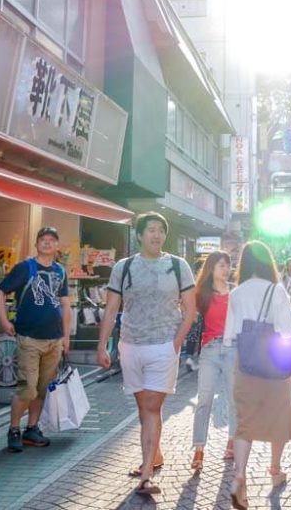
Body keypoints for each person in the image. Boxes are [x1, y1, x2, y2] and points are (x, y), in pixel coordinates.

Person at [97, 213, 196, 497]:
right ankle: (154, 455)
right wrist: (102, 344)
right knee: (144, 408)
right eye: (150, 230)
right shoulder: (123, 267)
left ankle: (145, 475)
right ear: (139, 235)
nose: (156, 235)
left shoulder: (178, 266)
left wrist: (176, 342)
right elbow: (112, 308)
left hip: (164, 344)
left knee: (152, 406)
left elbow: (190, 309)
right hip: (130, 344)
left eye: (160, 230)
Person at [224, 241, 291, 509]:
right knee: (279, 414)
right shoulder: (276, 290)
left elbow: (230, 336)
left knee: (244, 420)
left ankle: (239, 476)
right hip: (275, 363)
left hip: (245, 362)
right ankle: (275, 469)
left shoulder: (236, 292)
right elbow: (288, 331)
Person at [0, 227, 71, 454]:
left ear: (57, 246)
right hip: (29, 337)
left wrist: (66, 336)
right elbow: (0, 291)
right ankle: (14, 429)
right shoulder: (25, 268)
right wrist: (3, 320)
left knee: (41, 389)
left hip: (54, 339)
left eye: (51, 240)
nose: (47, 243)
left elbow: (66, 304)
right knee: (27, 388)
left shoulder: (60, 271)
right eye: (43, 240)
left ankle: (32, 428)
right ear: (36, 244)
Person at [190, 251, 237, 472]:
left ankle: (232, 442)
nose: (226, 269)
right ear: (211, 268)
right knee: (204, 399)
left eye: (227, 265)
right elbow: (188, 314)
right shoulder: (202, 293)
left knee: (234, 398)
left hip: (232, 348)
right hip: (209, 350)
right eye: (221, 265)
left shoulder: (236, 293)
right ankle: (199, 448)